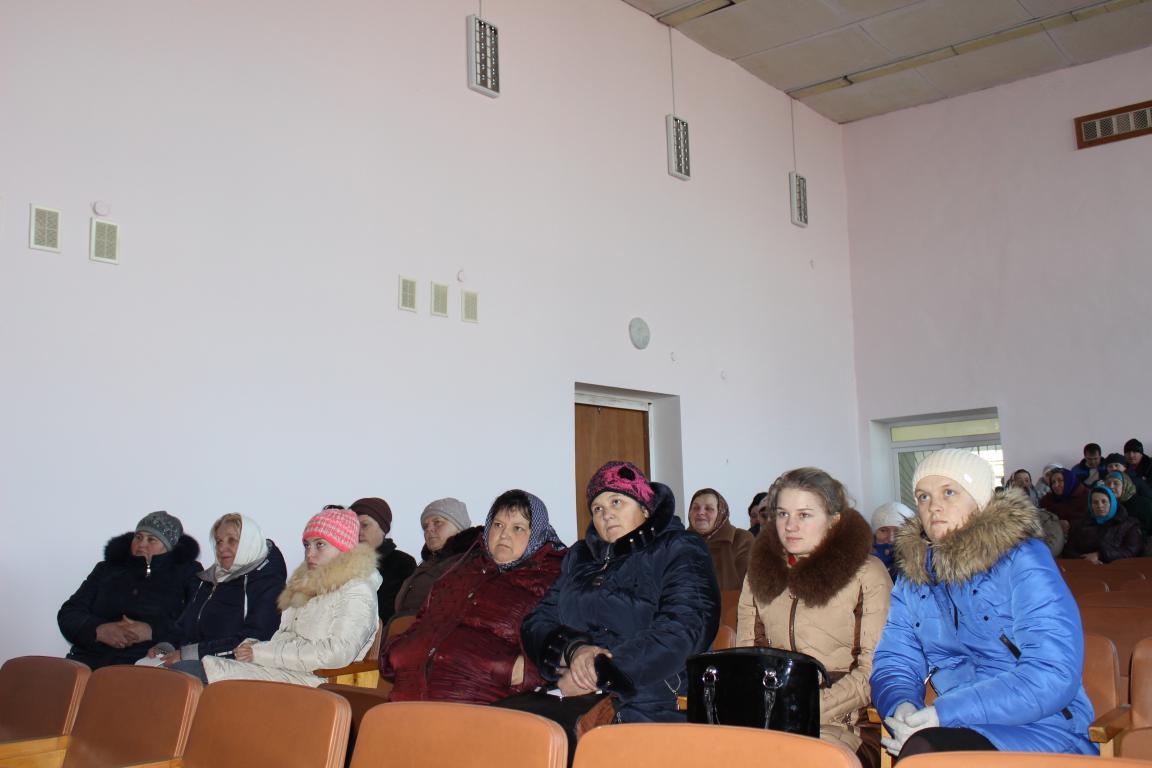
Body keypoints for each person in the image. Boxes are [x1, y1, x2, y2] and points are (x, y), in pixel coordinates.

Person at [871, 449, 1094, 759]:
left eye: (949, 492)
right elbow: (896, 658)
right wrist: (902, 707)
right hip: (958, 724)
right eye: (923, 497)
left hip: (1043, 724)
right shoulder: (914, 576)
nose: (934, 506)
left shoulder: (1023, 559)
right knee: (921, 751)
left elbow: (1052, 673)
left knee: (925, 755)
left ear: (979, 500)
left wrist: (944, 714)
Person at [522, 460, 720, 726]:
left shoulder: (680, 547)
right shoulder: (580, 558)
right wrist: (574, 651)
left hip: (653, 697)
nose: (606, 514)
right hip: (575, 697)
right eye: (598, 508)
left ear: (644, 507)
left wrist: (600, 672)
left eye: (616, 502)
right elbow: (536, 622)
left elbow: (686, 626)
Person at [737, 468, 892, 764]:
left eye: (804, 515)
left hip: (846, 724)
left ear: (834, 521)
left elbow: (872, 672)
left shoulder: (867, 574)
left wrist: (802, 708)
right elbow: (746, 661)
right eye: (782, 514)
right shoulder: (759, 573)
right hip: (770, 718)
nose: (790, 526)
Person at [381, 490, 565, 703]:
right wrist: (397, 652)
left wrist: (518, 671)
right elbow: (424, 619)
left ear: (537, 534)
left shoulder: (553, 579)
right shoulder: (462, 570)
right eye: (498, 525)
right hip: (408, 698)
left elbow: (559, 642)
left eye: (518, 528)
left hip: (477, 704)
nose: (504, 535)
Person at [193, 506, 381, 687]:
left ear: (344, 548)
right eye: (307, 545)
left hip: (318, 683)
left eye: (320, 544)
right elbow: (285, 639)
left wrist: (262, 653)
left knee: (201, 674)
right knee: (196, 671)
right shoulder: (304, 588)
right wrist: (256, 647)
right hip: (286, 674)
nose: (309, 553)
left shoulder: (357, 591)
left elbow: (337, 653)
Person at [58, 511, 201, 669]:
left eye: (151, 539)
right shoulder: (107, 569)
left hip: (146, 662)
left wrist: (152, 631)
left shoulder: (188, 574)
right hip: (89, 658)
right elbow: (69, 613)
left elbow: (195, 622)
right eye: (138, 537)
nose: (142, 544)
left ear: (169, 547)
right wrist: (98, 630)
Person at [147, 514, 285, 666]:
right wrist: (166, 646)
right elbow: (183, 627)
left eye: (232, 540)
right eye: (219, 541)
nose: (221, 548)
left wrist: (189, 654)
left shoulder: (270, 585)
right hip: (194, 661)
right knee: (140, 670)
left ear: (249, 543)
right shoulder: (210, 579)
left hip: (233, 668)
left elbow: (254, 640)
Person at [393, 498, 481, 617]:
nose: (428, 529)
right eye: (425, 526)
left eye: (437, 522)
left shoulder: (472, 564)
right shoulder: (425, 564)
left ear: (459, 527)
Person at [350, 497, 416, 623]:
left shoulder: (402, 563)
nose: (358, 532)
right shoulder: (341, 564)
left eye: (365, 525)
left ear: (383, 529)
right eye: (354, 526)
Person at [688, 487, 754, 590]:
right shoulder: (680, 543)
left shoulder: (741, 539)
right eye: (695, 508)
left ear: (721, 513)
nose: (700, 512)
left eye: (708, 508)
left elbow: (748, 589)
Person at [1066, 484, 1144, 563]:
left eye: (1104, 501)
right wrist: (1085, 560)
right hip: (1085, 566)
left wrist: (1100, 555)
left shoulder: (1129, 525)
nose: (1100, 506)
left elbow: (1131, 551)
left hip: (1118, 568)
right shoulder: (1082, 524)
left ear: (1112, 502)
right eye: (1095, 502)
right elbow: (1069, 550)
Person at [1039, 467, 1088, 541]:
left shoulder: (1085, 497)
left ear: (1069, 480)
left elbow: (1088, 522)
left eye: (1060, 480)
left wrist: (1070, 525)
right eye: (1053, 482)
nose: (1056, 485)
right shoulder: (1048, 499)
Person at [870, 501, 914, 580]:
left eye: (898, 531)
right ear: (875, 533)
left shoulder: (920, 564)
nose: (891, 539)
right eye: (883, 530)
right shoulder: (861, 563)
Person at [1104, 470, 1152, 535]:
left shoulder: (1144, 504)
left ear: (1125, 485)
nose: (1111, 486)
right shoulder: (1104, 504)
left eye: (1116, 483)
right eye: (1108, 483)